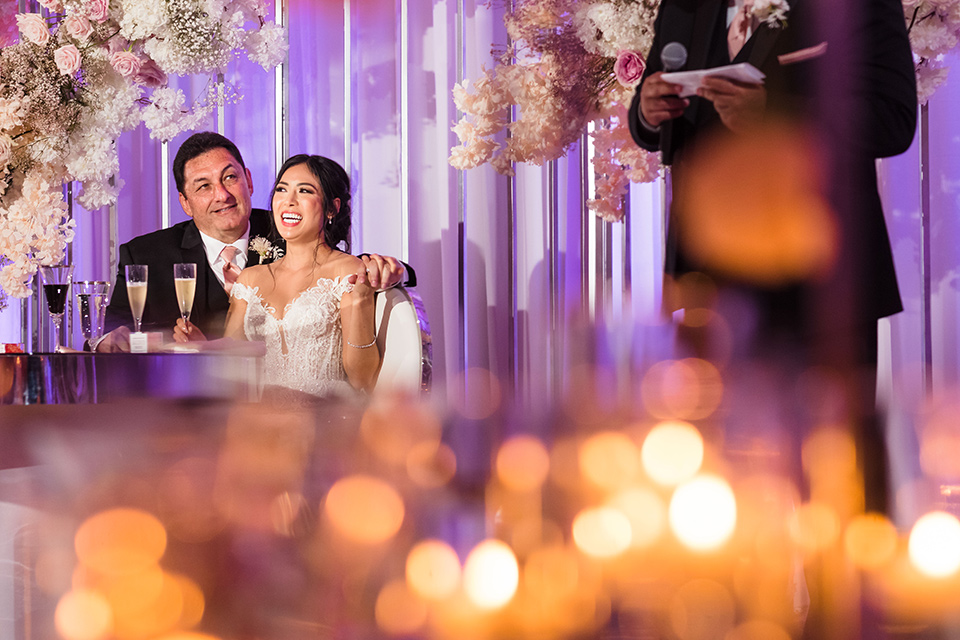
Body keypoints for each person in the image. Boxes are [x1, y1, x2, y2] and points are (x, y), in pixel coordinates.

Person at [96, 132, 414, 351]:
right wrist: (111, 338)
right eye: (203, 186)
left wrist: (394, 269)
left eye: (230, 177)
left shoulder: (286, 225)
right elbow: (114, 329)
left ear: (248, 179)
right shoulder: (145, 254)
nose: (222, 194)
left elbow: (336, 263)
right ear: (185, 201)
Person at [174, 154, 378, 398]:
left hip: (324, 422)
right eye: (282, 189)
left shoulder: (348, 272)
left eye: (304, 191)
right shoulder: (250, 280)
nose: (289, 201)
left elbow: (362, 378)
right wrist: (203, 347)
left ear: (332, 208)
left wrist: (360, 300)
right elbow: (233, 367)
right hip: (261, 423)